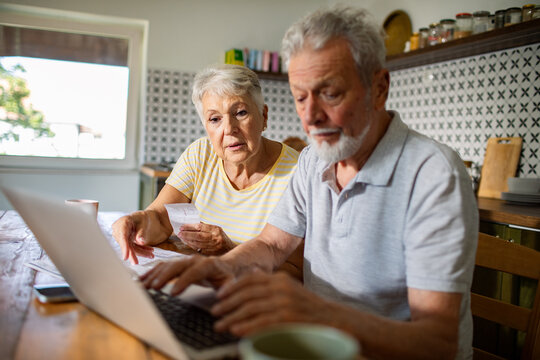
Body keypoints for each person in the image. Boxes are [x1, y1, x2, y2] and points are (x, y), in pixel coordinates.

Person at [140, 6, 478, 360]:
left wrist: (316, 313)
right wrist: (220, 266)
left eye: (329, 93)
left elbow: (439, 343)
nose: (311, 117)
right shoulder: (314, 159)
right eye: (301, 97)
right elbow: (271, 245)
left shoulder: (434, 176)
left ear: (379, 89)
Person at [112, 64, 300, 264]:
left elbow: (295, 269)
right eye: (215, 119)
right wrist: (134, 222)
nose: (229, 129)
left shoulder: (297, 173)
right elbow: (160, 218)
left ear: (264, 116)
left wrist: (229, 251)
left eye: (241, 113)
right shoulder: (200, 154)